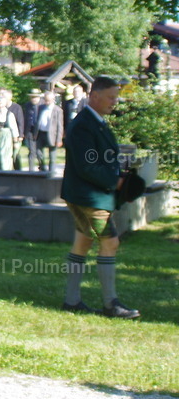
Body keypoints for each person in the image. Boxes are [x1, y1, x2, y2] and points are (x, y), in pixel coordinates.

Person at [60, 76, 139, 319]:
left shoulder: (95, 121)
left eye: (117, 96)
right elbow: (87, 166)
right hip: (89, 197)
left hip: (87, 195)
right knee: (110, 243)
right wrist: (117, 182)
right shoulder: (84, 124)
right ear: (95, 96)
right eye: (111, 97)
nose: (115, 101)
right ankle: (110, 304)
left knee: (83, 242)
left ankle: (72, 301)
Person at [35, 90, 64, 174]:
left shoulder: (58, 110)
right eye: (45, 100)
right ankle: (43, 168)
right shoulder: (41, 107)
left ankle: (51, 171)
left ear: (53, 100)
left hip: (52, 135)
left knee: (52, 155)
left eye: (48, 100)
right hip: (41, 133)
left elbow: (60, 126)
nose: (47, 102)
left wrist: (59, 139)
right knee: (38, 151)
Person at [0, 87, 25, 169]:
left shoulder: (12, 111)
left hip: (7, 137)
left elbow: (19, 123)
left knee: (9, 156)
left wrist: (19, 137)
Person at [0, 95, 20, 171]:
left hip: (6, 137)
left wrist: (15, 141)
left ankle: (6, 171)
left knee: (4, 155)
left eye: (1, 103)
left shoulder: (9, 114)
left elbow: (14, 129)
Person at [22, 88, 43, 171]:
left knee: (39, 152)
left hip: (40, 131)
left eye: (35, 97)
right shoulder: (27, 105)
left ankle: (42, 167)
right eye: (32, 97)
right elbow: (25, 119)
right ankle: (31, 170)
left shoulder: (42, 105)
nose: (33, 99)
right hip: (30, 130)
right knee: (31, 151)